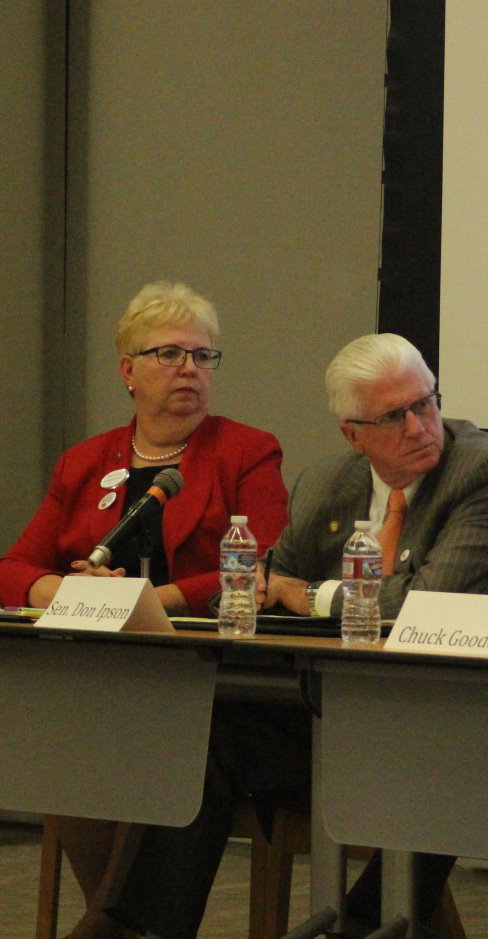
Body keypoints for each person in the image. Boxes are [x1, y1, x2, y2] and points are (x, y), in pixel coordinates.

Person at [104, 333, 488, 939]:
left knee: (460, 775)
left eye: (425, 404)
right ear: (353, 434)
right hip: (357, 718)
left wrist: (308, 595)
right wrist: (272, 588)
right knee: (212, 737)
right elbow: (246, 586)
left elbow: (420, 609)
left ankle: (363, 923)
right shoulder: (329, 481)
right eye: (394, 416)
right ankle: (135, 930)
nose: (419, 426)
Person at [0, 280, 289, 939]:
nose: (189, 368)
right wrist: (58, 592)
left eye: (203, 356)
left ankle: (110, 927)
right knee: (61, 731)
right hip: (100, 672)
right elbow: (14, 568)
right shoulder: (84, 461)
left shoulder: (246, 450)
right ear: (127, 370)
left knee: (138, 732)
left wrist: (149, 599)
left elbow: (262, 563)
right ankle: (123, 922)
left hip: (208, 673)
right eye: (168, 354)